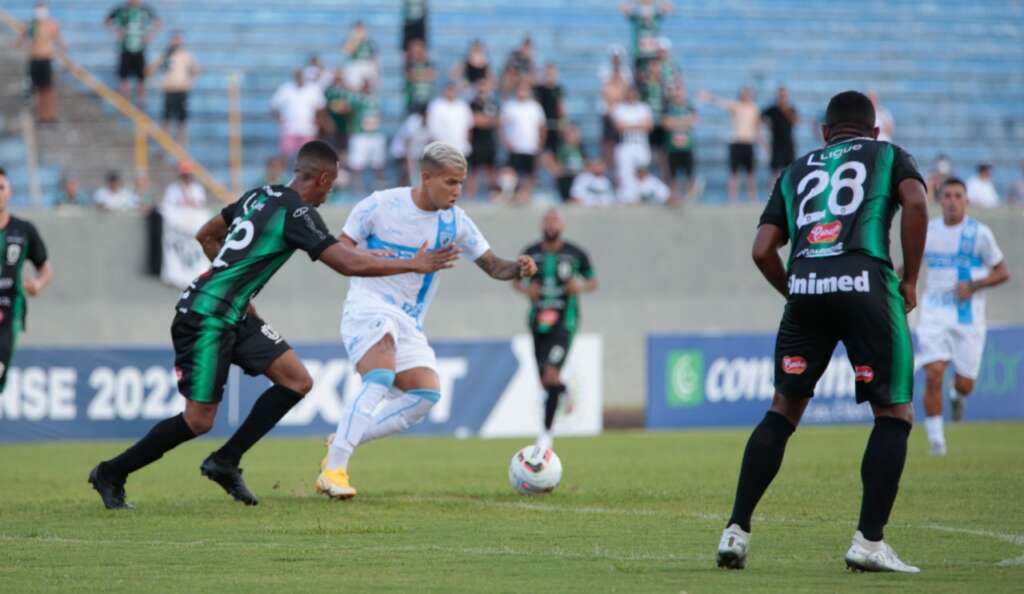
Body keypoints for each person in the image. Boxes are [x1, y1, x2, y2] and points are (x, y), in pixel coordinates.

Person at [88, 141, 459, 510]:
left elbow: (206, 234)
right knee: (198, 420)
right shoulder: (298, 213)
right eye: (331, 186)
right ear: (323, 178)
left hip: (234, 313)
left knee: (296, 380)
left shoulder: (259, 196)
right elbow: (346, 264)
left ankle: (225, 461)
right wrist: (413, 264)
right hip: (206, 316)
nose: (330, 193)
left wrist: (235, 288)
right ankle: (111, 472)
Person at [716, 90, 929, 573]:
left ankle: (735, 531)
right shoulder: (888, 154)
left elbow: (761, 249)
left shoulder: (795, 170)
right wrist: (910, 278)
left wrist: (796, 291)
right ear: (875, 131)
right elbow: (916, 202)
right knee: (894, 411)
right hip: (866, 284)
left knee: (783, 410)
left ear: (824, 132)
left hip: (807, 284)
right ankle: (869, 542)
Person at [315, 141, 538, 499]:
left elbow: (494, 266)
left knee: (425, 394)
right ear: (426, 177)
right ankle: (334, 470)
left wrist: (519, 268)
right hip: (368, 306)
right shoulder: (380, 205)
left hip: (408, 320)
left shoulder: (455, 222)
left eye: (461, 183)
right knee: (380, 375)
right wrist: (387, 258)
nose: (457, 190)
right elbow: (340, 251)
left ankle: (342, 439)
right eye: (450, 182)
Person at [917, 178, 1009, 456]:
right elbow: (910, 264)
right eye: (947, 196)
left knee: (965, 383)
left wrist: (974, 285)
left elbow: (1002, 272)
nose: (953, 201)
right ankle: (936, 443)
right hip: (933, 313)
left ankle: (957, 395)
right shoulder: (928, 231)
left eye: (958, 196)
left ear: (967, 201)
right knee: (933, 374)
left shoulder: (979, 233)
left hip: (968, 318)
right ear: (940, 200)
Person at [514, 209, 596, 450]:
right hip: (538, 322)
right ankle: (563, 389)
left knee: (550, 374)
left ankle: (546, 435)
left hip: (564, 322)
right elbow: (515, 280)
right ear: (542, 225)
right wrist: (526, 290)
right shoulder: (531, 253)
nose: (551, 225)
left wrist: (580, 287)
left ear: (563, 226)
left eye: (555, 221)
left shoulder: (575, 254)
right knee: (545, 382)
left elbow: (593, 281)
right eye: (547, 221)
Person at [0, 167, 53, 395]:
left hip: (9, 309)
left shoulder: (23, 230)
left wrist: (38, 284)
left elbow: (46, 268)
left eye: (1, 187)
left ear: (10, 191)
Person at [700, 86, 761, 202]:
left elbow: (757, 126)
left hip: (748, 143)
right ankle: (733, 198)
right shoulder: (736, 105)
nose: (747, 95)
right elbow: (721, 102)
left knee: (751, 173)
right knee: (734, 173)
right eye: (745, 93)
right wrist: (709, 97)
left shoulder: (754, 108)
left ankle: (753, 198)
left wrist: (760, 140)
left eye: (749, 93)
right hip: (736, 142)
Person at [16, 2, 65, 123]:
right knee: (37, 89)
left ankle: (50, 114)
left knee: (47, 89)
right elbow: (20, 40)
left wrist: (63, 53)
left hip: (46, 59)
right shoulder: (31, 25)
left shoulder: (52, 24)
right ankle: (41, 115)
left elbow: (59, 41)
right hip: (34, 59)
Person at [105, 0, 160, 105]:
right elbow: (107, 21)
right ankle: (124, 104)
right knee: (124, 78)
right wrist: (116, 32)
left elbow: (158, 22)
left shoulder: (145, 10)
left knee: (141, 79)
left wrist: (150, 35)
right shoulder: (121, 10)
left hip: (140, 50)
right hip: (125, 49)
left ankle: (141, 103)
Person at [149, 30, 198, 146]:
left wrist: (190, 83)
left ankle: (181, 147)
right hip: (169, 90)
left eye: (178, 39)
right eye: (174, 39)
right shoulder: (165, 55)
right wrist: (158, 83)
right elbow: (151, 69)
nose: (176, 41)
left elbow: (195, 70)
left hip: (181, 90)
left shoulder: (186, 55)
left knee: (182, 120)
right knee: (167, 119)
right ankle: (164, 146)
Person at [500, 82, 547, 203]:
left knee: (529, 174)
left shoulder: (535, 107)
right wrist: (506, 141)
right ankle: (510, 196)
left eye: (524, 90)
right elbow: (502, 126)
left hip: (531, 146)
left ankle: (526, 197)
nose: (522, 93)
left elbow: (541, 127)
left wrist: (540, 144)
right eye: (520, 90)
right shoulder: (509, 106)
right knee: (510, 172)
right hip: (514, 147)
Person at [271, 69, 326, 158]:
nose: (300, 77)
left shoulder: (313, 89)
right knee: (285, 155)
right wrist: (279, 119)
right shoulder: (286, 89)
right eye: (298, 75)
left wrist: (318, 121)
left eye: (301, 75)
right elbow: (274, 106)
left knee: (308, 156)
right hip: (289, 128)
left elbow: (321, 107)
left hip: (308, 128)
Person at [612, 86, 654, 201]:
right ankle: (627, 197)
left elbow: (649, 126)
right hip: (625, 143)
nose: (632, 96)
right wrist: (639, 124)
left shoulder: (644, 107)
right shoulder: (620, 108)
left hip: (641, 143)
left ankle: (642, 195)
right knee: (625, 172)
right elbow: (620, 127)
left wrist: (629, 125)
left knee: (643, 170)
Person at [347, 79, 387, 195]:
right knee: (357, 164)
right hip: (360, 134)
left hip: (374, 134)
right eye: (365, 84)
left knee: (378, 163)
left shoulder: (376, 99)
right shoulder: (356, 99)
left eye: (368, 84)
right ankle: (357, 188)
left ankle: (380, 188)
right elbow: (350, 113)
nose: (367, 86)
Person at [662, 84, 698, 201]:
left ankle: (690, 196)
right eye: (676, 92)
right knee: (672, 174)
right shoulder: (668, 107)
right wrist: (684, 121)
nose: (678, 94)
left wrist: (675, 122)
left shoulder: (689, 106)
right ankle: (674, 196)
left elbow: (693, 122)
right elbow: (666, 124)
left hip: (687, 146)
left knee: (689, 173)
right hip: (672, 147)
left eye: (680, 91)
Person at [467, 78, 500, 200]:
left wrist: (484, 120)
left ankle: (493, 197)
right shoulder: (472, 104)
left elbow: (498, 121)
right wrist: (488, 120)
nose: (483, 89)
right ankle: (471, 197)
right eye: (480, 86)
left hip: (490, 141)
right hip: (476, 141)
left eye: (485, 86)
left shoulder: (494, 103)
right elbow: (474, 120)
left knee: (491, 171)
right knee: (473, 171)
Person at [620, 0, 672, 74]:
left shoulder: (655, 18)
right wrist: (637, 2)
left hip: (654, 55)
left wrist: (653, 2)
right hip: (639, 56)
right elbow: (623, 8)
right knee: (638, 77)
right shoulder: (636, 20)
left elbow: (668, 7)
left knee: (654, 76)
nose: (646, 15)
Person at [761, 86, 799, 185]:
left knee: (790, 170)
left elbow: (796, 122)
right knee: (774, 171)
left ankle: (789, 191)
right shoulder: (772, 109)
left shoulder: (790, 109)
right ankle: (773, 192)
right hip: (776, 143)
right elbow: (759, 118)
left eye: (784, 96)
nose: (782, 98)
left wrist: (786, 110)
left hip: (788, 143)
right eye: (780, 96)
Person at [427, 81, 473, 157]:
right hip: (441, 148)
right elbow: (431, 126)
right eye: (449, 89)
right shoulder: (436, 105)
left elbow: (468, 126)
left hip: (460, 147)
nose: (451, 92)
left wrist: (467, 142)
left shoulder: (463, 106)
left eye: (453, 90)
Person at [534, 63, 567, 162]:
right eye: (548, 73)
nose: (550, 76)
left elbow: (561, 109)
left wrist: (563, 124)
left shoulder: (558, 90)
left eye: (552, 73)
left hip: (555, 127)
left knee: (556, 154)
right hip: (542, 126)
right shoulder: (539, 89)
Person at [322, 69, 353, 158]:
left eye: (340, 76)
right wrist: (326, 121)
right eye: (337, 76)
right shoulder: (329, 91)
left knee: (343, 149)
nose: (338, 78)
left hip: (344, 123)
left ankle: (341, 165)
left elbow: (350, 109)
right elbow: (324, 108)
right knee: (331, 148)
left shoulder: (347, 91)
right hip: (332, 123)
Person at [342, 21, 378, 91]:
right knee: (354, 87)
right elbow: (347, 51)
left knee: (369, 87)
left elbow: (374, 57)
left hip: (367, 65)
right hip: (355, 65)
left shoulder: (369, 42)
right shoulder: (350, 40)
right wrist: (357, 39)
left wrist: (377, 71)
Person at [553, 124, 585, 203]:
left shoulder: (580, 149)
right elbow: (558, 167)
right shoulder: (563, 150)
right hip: (567, 178)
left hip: (577, 178)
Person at [404, 39, 436, 115]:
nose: (416, 52)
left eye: (418, 50)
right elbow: (411, 77)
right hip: (413, 101)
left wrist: (418, 75)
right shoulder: (409, 64)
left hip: (427, 99)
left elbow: (432, 76)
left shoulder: (429, 63)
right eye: (414, 50)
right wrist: (424, 75)